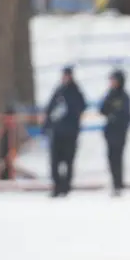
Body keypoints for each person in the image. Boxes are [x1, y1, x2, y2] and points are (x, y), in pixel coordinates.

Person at [42, 66, 87, 197]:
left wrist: (69, 111)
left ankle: (66, 186)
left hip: (70, 132)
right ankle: (57, 186)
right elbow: (49, 109)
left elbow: (81, 107)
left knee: (68, 160)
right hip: (57, 132)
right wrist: (46, 126)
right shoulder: (59, 91)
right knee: (55, 161)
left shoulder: (76, 92)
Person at [99, 69, 130, 195]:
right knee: (111, 158)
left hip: (120, 132)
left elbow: (126, 115)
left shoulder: (124, 97)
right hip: (110, 132)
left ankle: (118, 183)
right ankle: (115, 182)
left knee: (118, 158)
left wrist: (117, 118)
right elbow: (102, 109)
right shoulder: (110, 95)